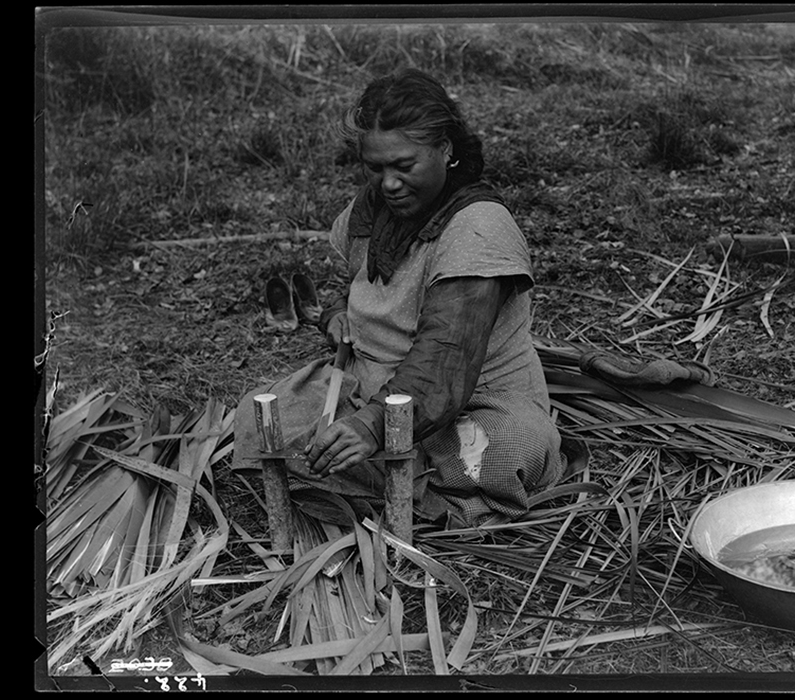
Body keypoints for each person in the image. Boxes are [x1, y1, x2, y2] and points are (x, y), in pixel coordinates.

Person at [232, 69, 569, 530]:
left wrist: (371, 427)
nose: (388, 183)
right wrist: (334, 315)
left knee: (505, 453)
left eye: (404, 166)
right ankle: (401, 487)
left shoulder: (478, 229)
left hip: (468, 401)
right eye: (376, 167)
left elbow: (444, 362)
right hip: (367, 385)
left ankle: (394, 485)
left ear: (446, 150)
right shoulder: (374, 208)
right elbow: (348, 282)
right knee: (256, 419)